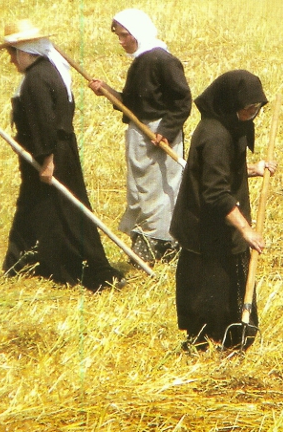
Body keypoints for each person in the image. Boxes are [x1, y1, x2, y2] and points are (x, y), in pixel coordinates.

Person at [0, 20, 124, 291]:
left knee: (65, 210)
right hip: (57, 151)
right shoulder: (48, 71)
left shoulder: (37, 80)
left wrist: (47, 161)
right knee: (34, 206)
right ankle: (19, 263)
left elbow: (44, 123)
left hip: (49, 153)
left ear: (26, 51)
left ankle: (88, 270)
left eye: (12, 53)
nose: (11, 61)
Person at [170, 70, 277, 351]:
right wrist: (246, 231)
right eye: (246, 110)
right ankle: (208, 341)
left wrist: (253, 169)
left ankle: (226, 339)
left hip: (218, 226)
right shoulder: (215, 136)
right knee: (211, 289)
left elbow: (223, 171)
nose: (250, 116)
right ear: (230, 103)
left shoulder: (227, 123)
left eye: (255, 110)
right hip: (205, 227)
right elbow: (216, 193)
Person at [88, 8, 192, 267]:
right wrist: (106, 91)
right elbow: (132, 104)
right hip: (141, 135)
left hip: (158, 137)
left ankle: (160, 247)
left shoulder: (163, 60)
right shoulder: (141, 61)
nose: (121, 42)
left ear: (139, 33)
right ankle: (152, 248)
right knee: (140, 191)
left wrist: (166, 132)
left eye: (125, 36)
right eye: (119, 36)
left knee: (159, 192)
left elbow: (182, 101)